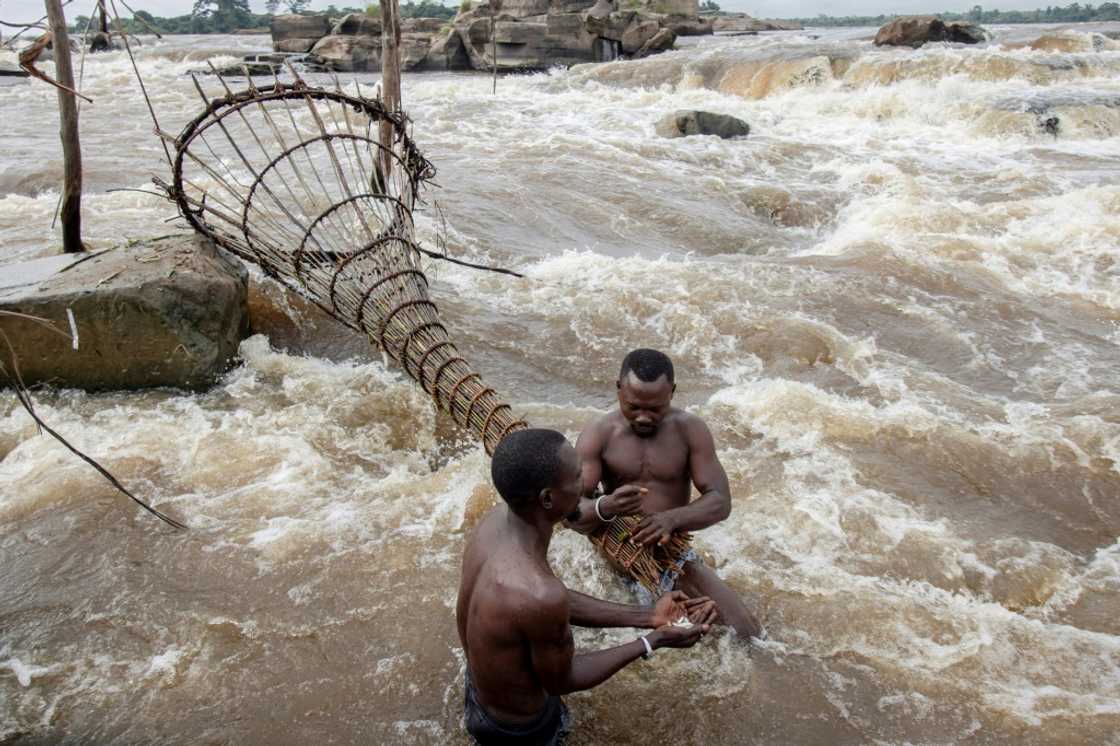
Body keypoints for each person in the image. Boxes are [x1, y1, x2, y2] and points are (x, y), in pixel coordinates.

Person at [457, 428, 719, 745]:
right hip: (519, 731)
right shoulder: (538, 593)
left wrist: (648, 615)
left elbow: (538, 602)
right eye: (577, 475)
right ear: (548, 499)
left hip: (480, 693)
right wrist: (652, 641)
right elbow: (562, 679)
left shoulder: (496, 523)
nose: (585, 483)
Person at [568, 348, 763, 639]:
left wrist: (670, 520)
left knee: (746, 632)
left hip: (670, 554)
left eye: (655, 408)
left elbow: (720, 501)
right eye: (634, 407)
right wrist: (606, 506)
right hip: (618, 551)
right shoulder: (599, 434)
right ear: (619, 389)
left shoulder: (690, 431)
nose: (644, 417)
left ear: (672, 392)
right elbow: (570, 513)